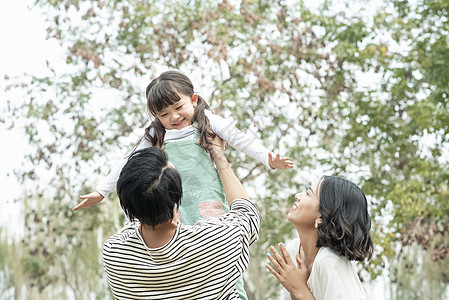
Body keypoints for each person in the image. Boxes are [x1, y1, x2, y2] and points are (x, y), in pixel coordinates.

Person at [74, 70, 291, 298]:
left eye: (179, 108)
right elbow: (129, 162)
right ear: (156, 116)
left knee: (215, 249)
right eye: (164, 114)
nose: (174, 118)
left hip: (206, 197)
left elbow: (239, 138)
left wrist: (268, 158)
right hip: (174, 203)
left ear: (194, 100)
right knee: (191, 247)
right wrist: (102, 190)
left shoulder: (207, 121)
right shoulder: (156, 134)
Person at [102, 141, 261, 299]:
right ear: (177, 200)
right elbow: (247, 213)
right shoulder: (217, 240)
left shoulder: (113, 254)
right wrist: (219, 157)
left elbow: (138, 216)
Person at [266, 176, 374, 300]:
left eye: (308, 194)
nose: (298, 195)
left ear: (321, 217)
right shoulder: (293, 249)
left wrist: (299, 289)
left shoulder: (330, 261)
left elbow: (299, 291)